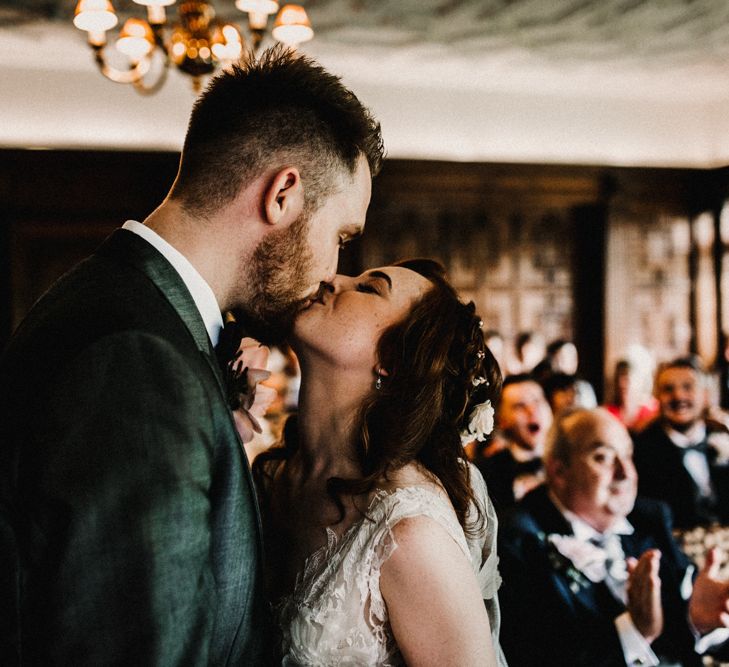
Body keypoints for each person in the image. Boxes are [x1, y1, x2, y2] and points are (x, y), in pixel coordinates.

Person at [0, 47, 384, 665]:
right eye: (340, 236)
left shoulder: (121, 304)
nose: (334, 271)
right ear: (284, 193)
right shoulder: (137, 361)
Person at [254, 259, 507, 665]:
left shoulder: (409, 533)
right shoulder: (275, 475)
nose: (331, 279)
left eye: (370, 288)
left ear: (395, 358)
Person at [498, 407, 729, 667]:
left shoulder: (650, 519)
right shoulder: (518, 541)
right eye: (603, 457)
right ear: (559, 471)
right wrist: (633, 631)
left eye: (628, 455)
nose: (625, 472)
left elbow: (681, 636)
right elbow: (537, 656)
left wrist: (698, 619)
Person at [634, 356, 729, 530]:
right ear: (658, 397)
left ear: (705, 394)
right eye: (668, 389)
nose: (678, 396)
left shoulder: (722, 436)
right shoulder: (642, 449)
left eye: (688, 387)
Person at [476, 374, 553, 512]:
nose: (531, 411)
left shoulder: (572, 461)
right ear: (501, 419)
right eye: (519, 406)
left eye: (537, 401)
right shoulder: (488, 472)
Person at [604, 358, 658, 433]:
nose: (621, 385)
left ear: (638, 382)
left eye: (626, 379)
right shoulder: (608, 414)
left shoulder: (651, 412)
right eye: (618, 380)